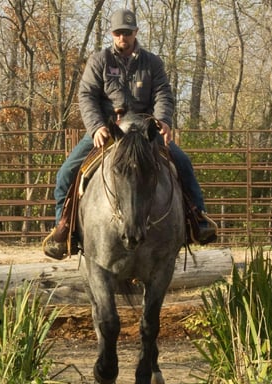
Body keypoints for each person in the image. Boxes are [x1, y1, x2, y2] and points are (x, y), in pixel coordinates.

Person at [42, 8, 216, 260]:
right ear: (112, 34)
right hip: (107, 131)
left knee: (183, 163)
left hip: (145, 132)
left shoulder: (152, 62)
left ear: (136, 32)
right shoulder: (99, 60)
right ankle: (64, 229)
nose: (123, 37)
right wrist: (96, 127)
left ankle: (197, 219)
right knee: (66, 172)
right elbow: (87, 96)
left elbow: (163, 94)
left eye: (128, 32)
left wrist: (163, 121)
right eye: (118, 33)